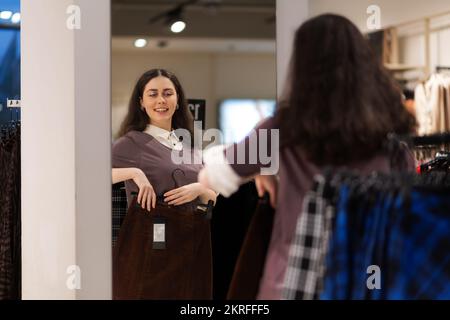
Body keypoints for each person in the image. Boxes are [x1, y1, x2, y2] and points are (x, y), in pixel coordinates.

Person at [198, 14, 417, 300]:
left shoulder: (286, 126)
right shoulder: (392, 126)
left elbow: (213, 176)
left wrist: (262, 167)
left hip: (296, 277)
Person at [112, 68, 217, 299]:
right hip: (152, 247)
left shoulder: (190, 147)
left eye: (168, 93)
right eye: (153, 94)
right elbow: (90, 174)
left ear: (178, 100)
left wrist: (200, 189)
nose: (161, 100)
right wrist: (134, 173)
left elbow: (212, 198)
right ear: (141, 102)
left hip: (193, 244)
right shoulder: (130, 143)